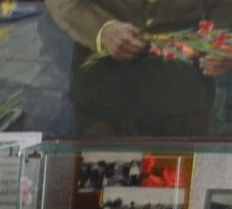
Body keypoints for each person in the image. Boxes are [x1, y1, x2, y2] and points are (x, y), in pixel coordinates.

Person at [45, 0, 232, 137]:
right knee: (98, 187)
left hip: (182, 95)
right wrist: (102, 30)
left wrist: (220, 42)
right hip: (105, 93)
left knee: (179, 185)